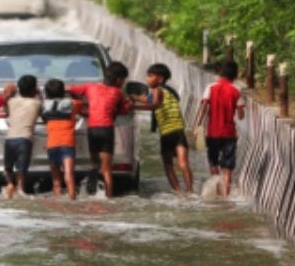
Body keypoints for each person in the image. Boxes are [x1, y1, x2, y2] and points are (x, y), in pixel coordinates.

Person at [69, 61, 132, 198]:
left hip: (92, 130)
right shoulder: (118, 92)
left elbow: (70, 90)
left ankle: (90, 191)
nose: (123, 83)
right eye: (123, 80)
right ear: (118, 80)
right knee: (106, 169)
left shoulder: (90, 87)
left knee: (94, 164)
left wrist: (79, 104)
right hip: (107, 130)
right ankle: (108, 197)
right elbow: (124, 109)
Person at [133, 63, 193, 194]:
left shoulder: (156, 90)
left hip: (166, 133)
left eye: (150, 75)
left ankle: (178, 190)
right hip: (178, 130)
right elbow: (148, 100)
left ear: (159, 78)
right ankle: (190, 191)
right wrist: (135, 98)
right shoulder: (170, 92)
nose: (147, 78)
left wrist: (134, 106)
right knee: (183, 163)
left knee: (168, 164)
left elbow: (153, 104)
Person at [195, 59, 246, 197]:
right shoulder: (237, 90)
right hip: (229, 134)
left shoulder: (210, 87)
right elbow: (241, 116)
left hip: (212, 133)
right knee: (227, 169)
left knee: (213, 165)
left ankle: (216, 191)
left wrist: (197, 126)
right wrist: (239, 108)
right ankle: (225, 197)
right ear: (234, 74)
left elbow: (203, 108)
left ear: (221, 72)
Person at [3, 75, 43, 198]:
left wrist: (10, 92)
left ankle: (9, 184)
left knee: (8, 168)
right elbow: (42, 108)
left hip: (10, 139)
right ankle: (20, 188)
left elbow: (5, 106)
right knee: (21, 170)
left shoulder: (11, 102)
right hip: (25, 140)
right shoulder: (36, 103)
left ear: (19, 89)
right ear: (34, 89)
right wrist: (39, 93)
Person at [41, 78, 81, 200]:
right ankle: (72, 198)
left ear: (46, 93)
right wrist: (69, 93)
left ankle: (57, 199)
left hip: (52, 145)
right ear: (63, 92)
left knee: (56, 178)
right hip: (67, 143)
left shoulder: (45, 107)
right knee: (68, 174)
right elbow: (79, 101)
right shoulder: (73, 104)